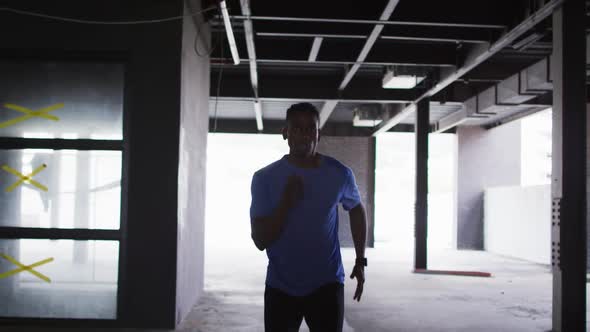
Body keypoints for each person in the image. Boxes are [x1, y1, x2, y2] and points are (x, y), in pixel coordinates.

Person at [249, 102, 368, 332]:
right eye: (296, 128)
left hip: (327, 284)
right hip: (280, 286)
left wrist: (360, 260)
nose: (304, 134)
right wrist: (286, 202)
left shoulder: (339, 174)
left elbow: (356, 208)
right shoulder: (264, 178)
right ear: (285, 133)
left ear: (318, 134)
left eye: (310, 128)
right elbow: (260, 240)